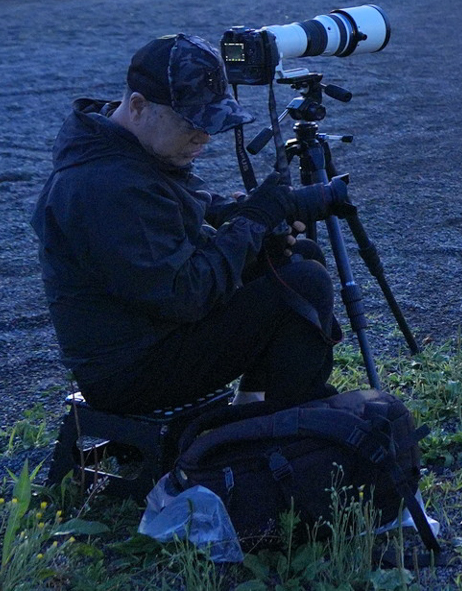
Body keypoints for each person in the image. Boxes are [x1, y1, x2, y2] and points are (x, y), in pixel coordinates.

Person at [33, 34, 345, 412]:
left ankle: (257, 409)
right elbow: (185, 295)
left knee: (295, 255)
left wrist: (253, 223)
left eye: (211, 122)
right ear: (138, 106)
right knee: (303, 283)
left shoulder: (127, 149)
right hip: (129, 370)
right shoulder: (105, 185)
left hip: (157, 333)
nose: (203, 136)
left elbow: (187, 210)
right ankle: (291, 430)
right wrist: (252, 221)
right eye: (191, 123)